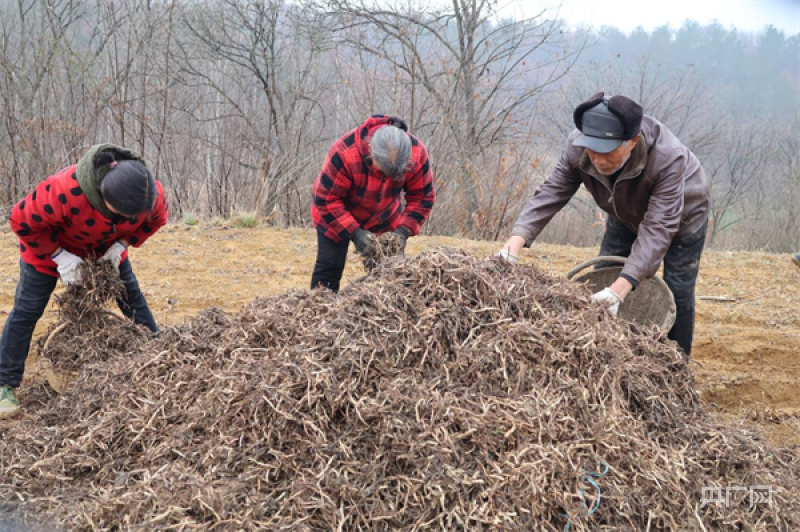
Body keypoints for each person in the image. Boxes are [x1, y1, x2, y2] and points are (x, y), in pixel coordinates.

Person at [497, 93, 711, 357]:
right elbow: (552, 191)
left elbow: (657, 229)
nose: (598, 160)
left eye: (607, 152)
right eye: (592, 151)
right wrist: (514, 244)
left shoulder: (668, 158)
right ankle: (606, 354)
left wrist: (620, 290)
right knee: (605, 274)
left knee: (677, 289)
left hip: (682, 216)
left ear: (633, 142)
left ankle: (677, 362)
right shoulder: (577, 147)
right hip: (624, 208)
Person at [0, 144, 168, 418]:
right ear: (103, 196)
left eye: (134, 216)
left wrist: (121, 245)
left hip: (106, 253)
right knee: (27, 310)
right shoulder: (62, 191)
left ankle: (160, 358)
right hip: (49, 252)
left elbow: (156, 220)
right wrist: (61, 257)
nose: (130, 219)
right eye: (124, 214)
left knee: (132, 299)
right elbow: (21, 221)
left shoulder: (148, 192)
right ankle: (5, 384)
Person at [310, 115, 435, 292]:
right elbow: (326, 199)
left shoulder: (417, 152)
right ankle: (320, 307)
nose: (388, 177)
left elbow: (422, 197)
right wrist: (354, 232)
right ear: (371, 151)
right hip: (335, 214)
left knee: (391, 274)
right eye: (383, 171)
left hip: (385, 215)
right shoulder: (344, 153)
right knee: (330, 267)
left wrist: (404, 230)